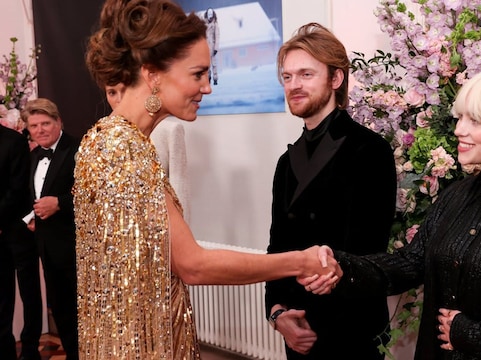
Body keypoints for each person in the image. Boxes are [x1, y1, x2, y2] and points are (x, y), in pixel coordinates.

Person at [77, 0, 340, 358]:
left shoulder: (108, 139)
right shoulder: (123, 149)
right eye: (197, 74)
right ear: (153, 73)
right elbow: (193, 265)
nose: (207, 88)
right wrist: (302, 261)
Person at [306, 66, 481, 359]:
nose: (459, 129)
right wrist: (343, 267)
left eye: (475, 120)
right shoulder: (457, 194)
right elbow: (410, 263)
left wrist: (469, 334)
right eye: (460, 118)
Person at [265, 23, 397, 359]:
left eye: (306, 74)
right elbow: (277, 247)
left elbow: (370, 252)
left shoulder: (370, 150)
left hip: (351, 333)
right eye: (288, 76)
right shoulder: (286, 161)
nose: (294, 85)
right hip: (297, 331)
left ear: (335, 80)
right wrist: (278, 313)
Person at [20, 98, 80, 360]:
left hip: (77, 245)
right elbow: (29, 195)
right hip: (47, 244)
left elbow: (95, 194)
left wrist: (60, 203)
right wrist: (29, 217)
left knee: (82, 308)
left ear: (59, 123)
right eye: (34, 125)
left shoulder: (79, 149)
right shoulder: (33, 156)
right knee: (60, 307)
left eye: (46, 123)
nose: (40, 129)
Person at [106, 83, 191, 222]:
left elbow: (180, 189)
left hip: (162, 229)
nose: (119, 99)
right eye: (112, 93)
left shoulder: (169, 130)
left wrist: (184, 236)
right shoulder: (103, 136)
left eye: (125, 91)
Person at [0, 124, 41, 360]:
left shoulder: (13, 141)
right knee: (1, 294)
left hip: (19, 230)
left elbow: (17, 189)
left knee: (29, 292)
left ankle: (29, 348)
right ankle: (4, 347)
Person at [204, 7, 220, 86]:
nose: (210, 18)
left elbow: (217, 36)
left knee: (214, 64)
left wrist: (216, 48)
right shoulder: (204, 25)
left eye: (211, 16)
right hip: (205, 47)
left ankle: (215, 78)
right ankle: (208, 77)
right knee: (207, 64)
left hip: (212, 47)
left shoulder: (215, 25)